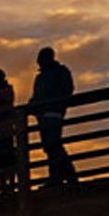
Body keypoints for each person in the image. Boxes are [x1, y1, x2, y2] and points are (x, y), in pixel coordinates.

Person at [30, 45, 78, 185]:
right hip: (43, 115)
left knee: (53, 144)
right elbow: (36, 96)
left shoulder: (60, 72)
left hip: (54, 112)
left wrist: (54, 102)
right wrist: (32, 105)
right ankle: (64, 176)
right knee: (50, 146)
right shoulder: (41, 77)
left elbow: (67, 90)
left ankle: (62, 177)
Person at [0, 67, 30, 197]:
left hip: (4, 131)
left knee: (7, 160)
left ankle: (10, 187)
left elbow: (1, 104)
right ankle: (4, 188)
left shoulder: (5, 91)